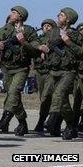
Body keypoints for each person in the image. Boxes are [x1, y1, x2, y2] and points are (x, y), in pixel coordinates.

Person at [0, 6, 41, 136]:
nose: (10, 14)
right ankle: (22, 123)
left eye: (14, 12)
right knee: (13, 96)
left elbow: (35, 51)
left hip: (21, 68)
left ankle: (5, 118)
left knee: (14, 91)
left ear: (20, 16)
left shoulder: (29, 31)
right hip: (6, 67)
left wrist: (23, 42)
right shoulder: (6, 28)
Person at [38, 8, 82, 139]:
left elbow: (81, 52)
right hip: (53, 70)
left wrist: (68, 42)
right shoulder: (53, 32)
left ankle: (52, 120)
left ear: (68, 19)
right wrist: (42, 49)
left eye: (61, 15)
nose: (58, 16)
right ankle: (70, 125)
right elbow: (44, 44)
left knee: (59, 94)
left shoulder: (76, 35)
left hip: (68, 71)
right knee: (48, 97)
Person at [33, 19, 56, 132]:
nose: (46, 28)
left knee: (47, 96)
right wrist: (39, 47)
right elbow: (32, 44)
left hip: (50, 72)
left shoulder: (56, 38)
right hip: (39, 71)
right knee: (42, 98)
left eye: (49, 26)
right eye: (44, 26)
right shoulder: (38, 39)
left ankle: (45, 121)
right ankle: (42, 121)